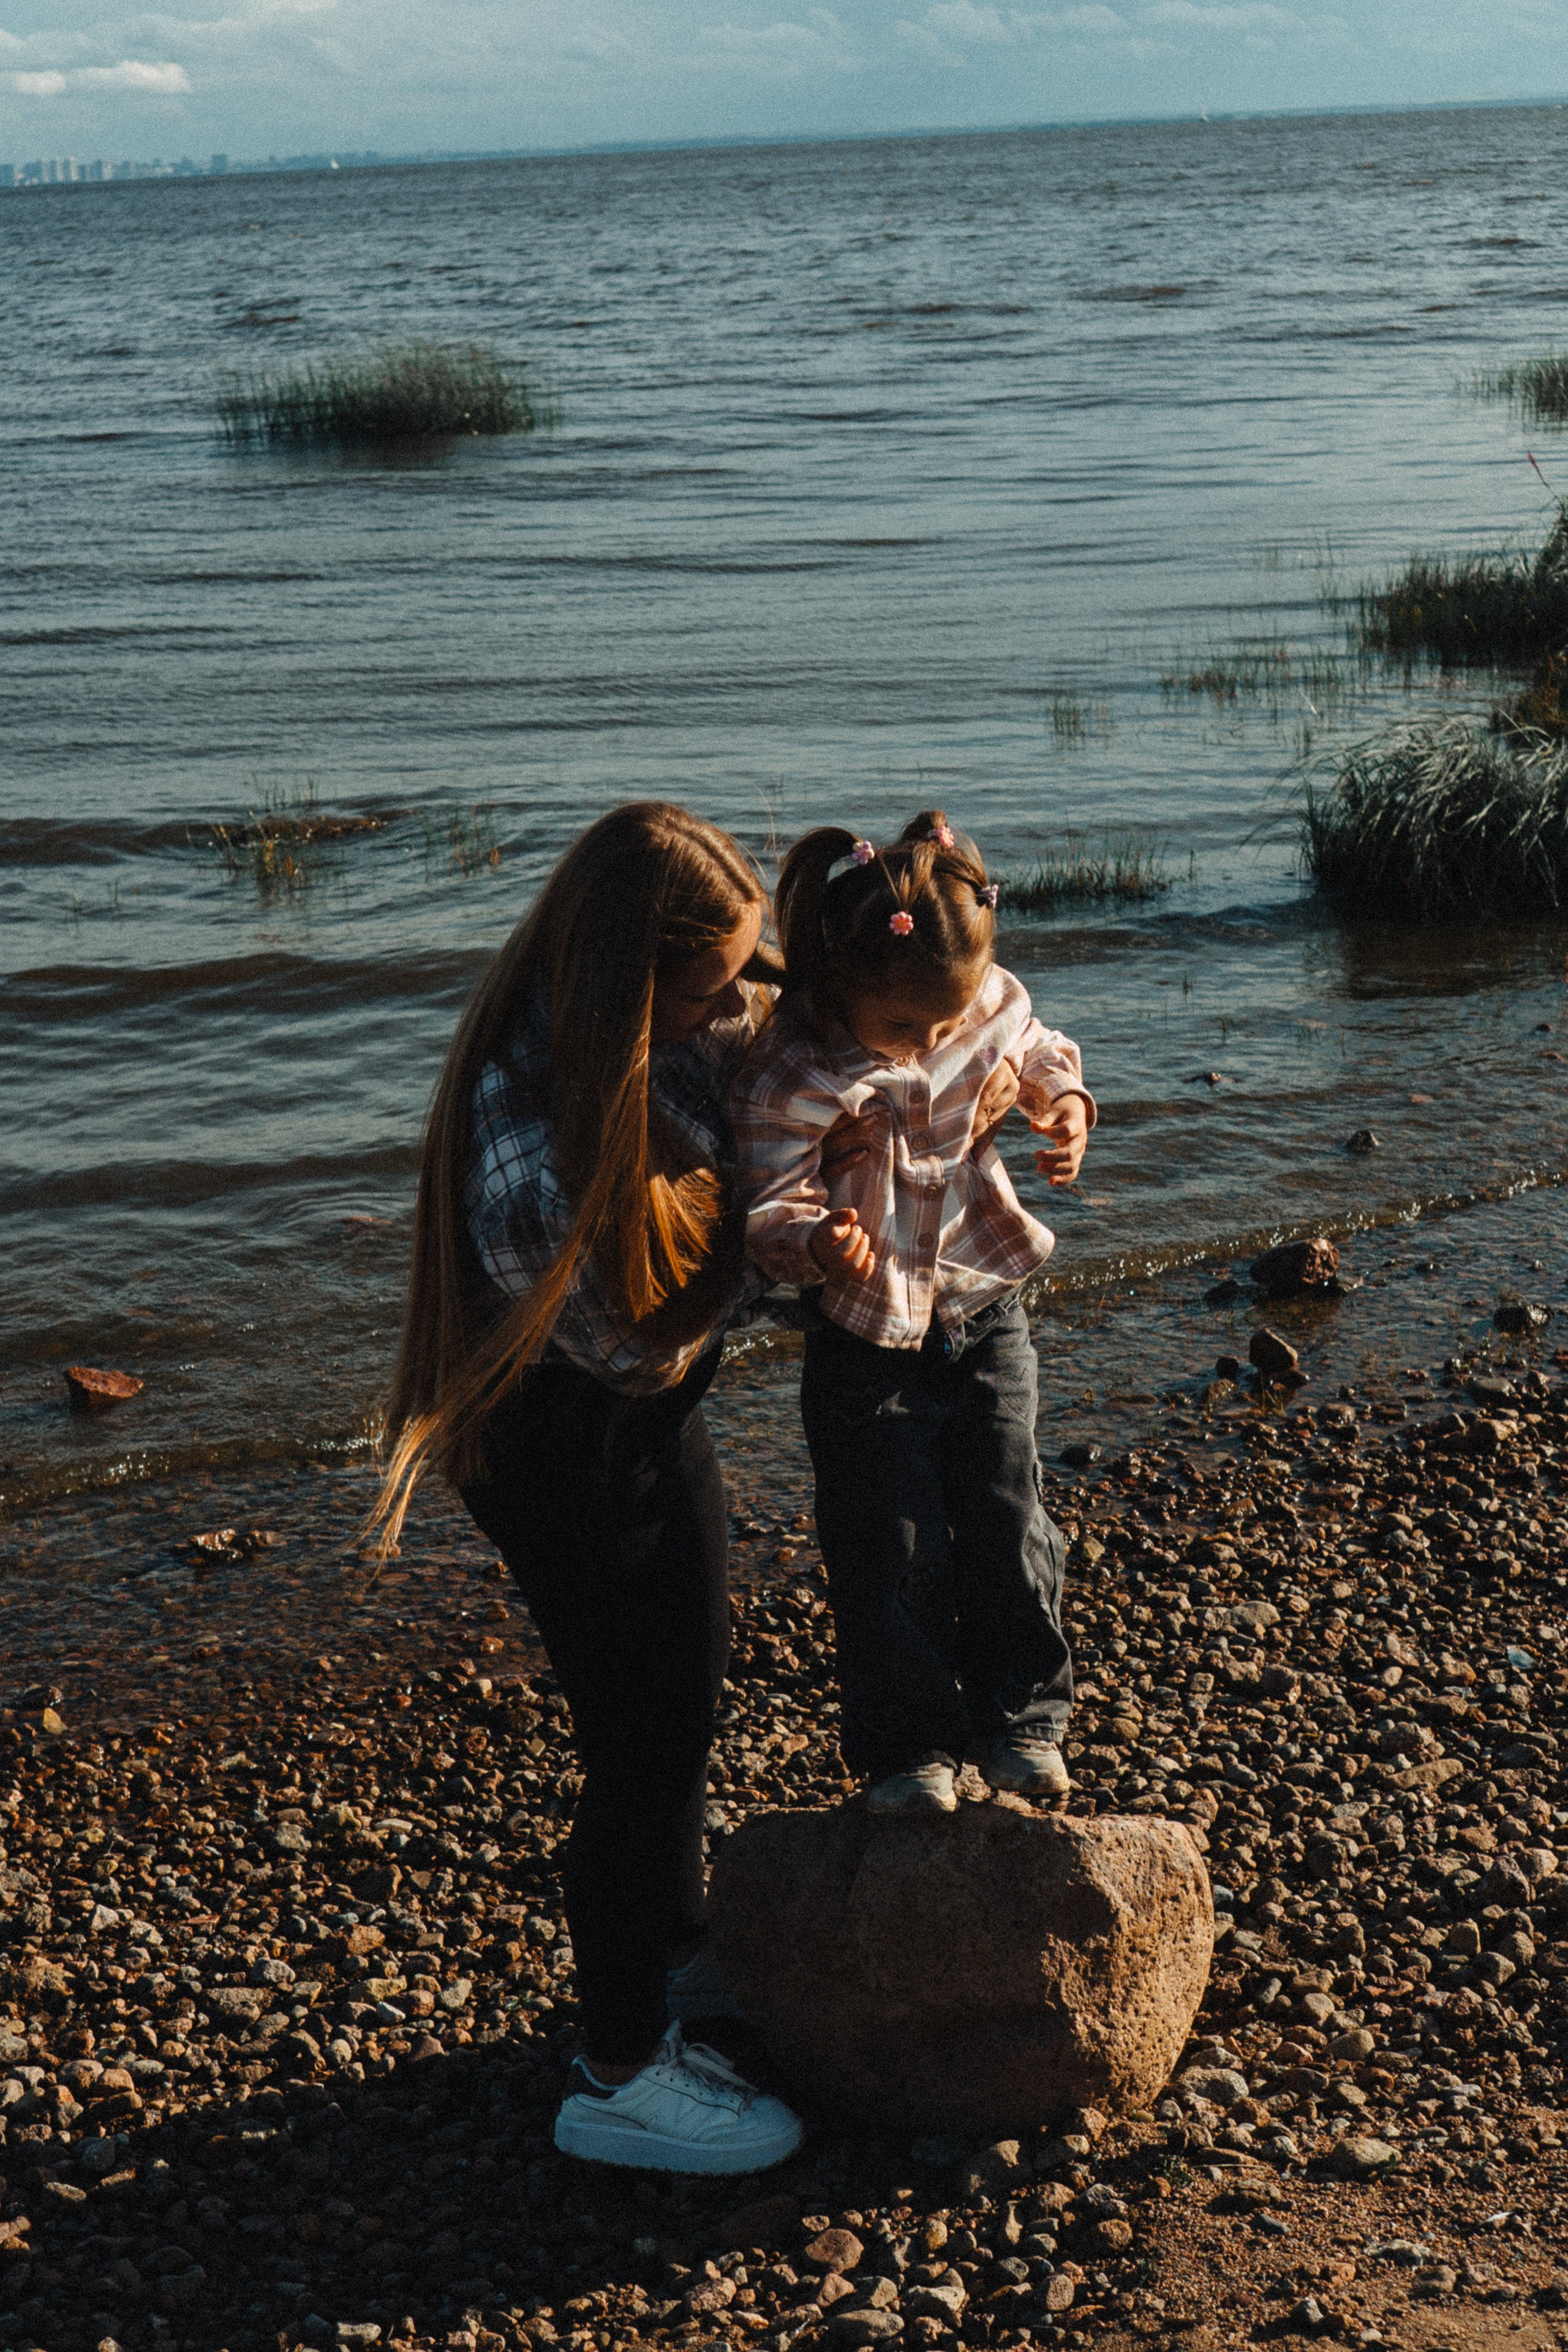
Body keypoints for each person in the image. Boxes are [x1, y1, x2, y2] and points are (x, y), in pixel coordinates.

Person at [370, 801, 805, 2175]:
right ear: (635, 987)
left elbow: (788, 1050)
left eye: (748, 969)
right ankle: (617, 2069)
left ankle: (673, 1954)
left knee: (689, 1680)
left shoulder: (668, 1033)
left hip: (640, 1419)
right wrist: (777, 1223)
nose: (740, 1001)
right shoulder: (527, 1146)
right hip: (555, 1445)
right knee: (643, 1737)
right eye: (713, 983)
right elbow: (640, 1336)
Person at [731, 812, 1095, 1817]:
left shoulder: (979, 1001)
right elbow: (765, 1199)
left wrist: (1061, 1106)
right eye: (903, 1032)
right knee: (886, 1541)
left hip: (984, 1302)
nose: (932, 1045)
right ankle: (907, 1750)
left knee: (1010, 1509)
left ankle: (1024, 1724)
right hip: (860, 1332)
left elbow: (1037, 1047)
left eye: (947, 1022)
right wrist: (808, 1240)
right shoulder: (798, 1069)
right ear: (836, 987)